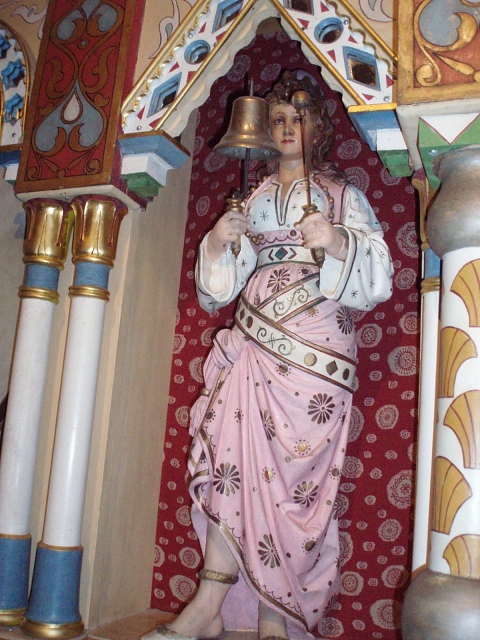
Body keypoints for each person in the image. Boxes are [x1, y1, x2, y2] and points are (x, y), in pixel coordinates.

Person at [144, 70, 393, 640]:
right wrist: (219, 242)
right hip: (253, 353)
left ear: (319, 128)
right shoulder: (252, 199)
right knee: (231, 471)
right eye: (276, 119)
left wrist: (336, 240)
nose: (285, 129)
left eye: (297, 119)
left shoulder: (342, 197)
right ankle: (208, 607)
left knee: (293, 488)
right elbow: (219, 289)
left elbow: (378, 276)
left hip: (316, 357)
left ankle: (275, 618)